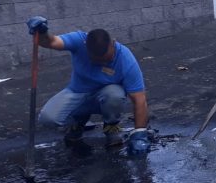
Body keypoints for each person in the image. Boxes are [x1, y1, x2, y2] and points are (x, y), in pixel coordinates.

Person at [26, 16, 151, 153]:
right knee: (48, 118)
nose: (102, 63)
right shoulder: (79, 40)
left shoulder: (126, 59)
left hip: (106, 97)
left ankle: (111, 127)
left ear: (113, 43)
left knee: (114, 95)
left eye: (107, 59)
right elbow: (51, 41)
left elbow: (139, 99)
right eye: (97, 60)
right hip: (78, 93)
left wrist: (139, 135)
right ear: (86, 47)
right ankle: (77, 122)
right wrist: (42, 32)